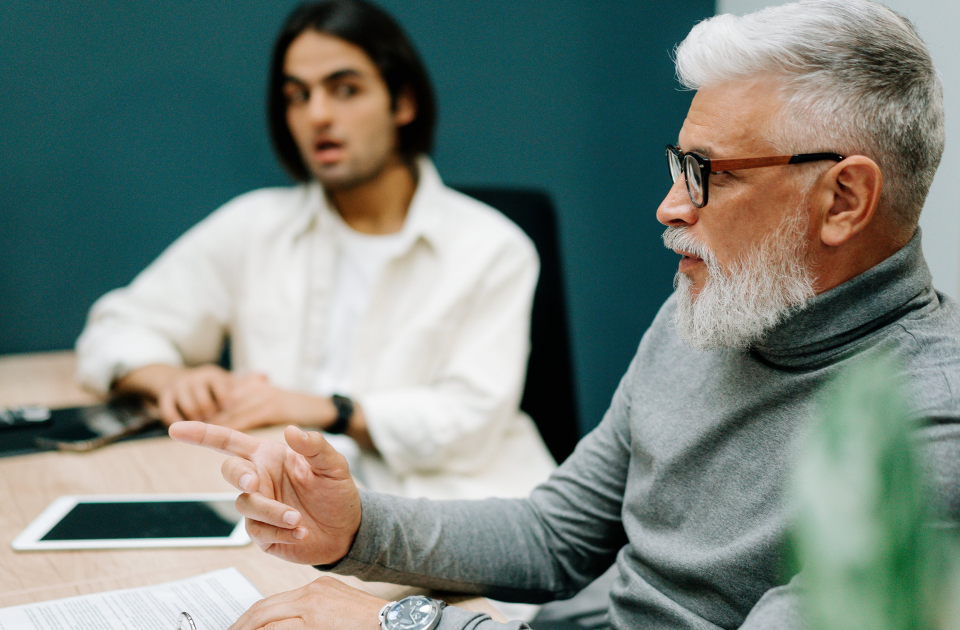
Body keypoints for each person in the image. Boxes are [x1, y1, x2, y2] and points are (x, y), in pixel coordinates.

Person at [169, 1, 960, 629]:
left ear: (843, 200)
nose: (669, 207)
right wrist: (354, 528)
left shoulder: (929, 431)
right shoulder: (710, 308)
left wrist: (398, 624)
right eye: (677, 166)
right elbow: (558, 532)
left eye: (706, 174)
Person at [75, 0, 556, 501]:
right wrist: (172, 379)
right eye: (297, 96)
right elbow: (115, 328)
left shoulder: (492, 246)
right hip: (283, 512)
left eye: (344, 89)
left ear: (403, 102)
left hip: (454, 512)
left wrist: (326, 409)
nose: (318, 115)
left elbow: (469, 424)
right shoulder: (255, 225)